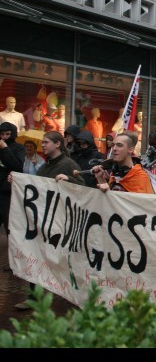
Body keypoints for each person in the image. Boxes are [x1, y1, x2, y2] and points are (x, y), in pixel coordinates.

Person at [12, 131, 85, 310]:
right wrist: (18, 181)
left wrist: (69, 179)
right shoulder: (45, 166)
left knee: (61, 261)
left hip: (60, 222)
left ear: (57, 144)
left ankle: (72, 295)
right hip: (43, 221)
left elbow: (83, 188)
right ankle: (34, 296)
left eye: (46, 142)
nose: (42, 145)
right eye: (42, 142)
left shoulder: (68, 164)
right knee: (36, 255)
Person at [0, 122, 25, 239]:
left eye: (8, 134)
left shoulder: (19, 148)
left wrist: (5, 148)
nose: (4, 137)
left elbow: (17, 167)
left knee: (9, 226)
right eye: (2, 134)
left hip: (8, 193)